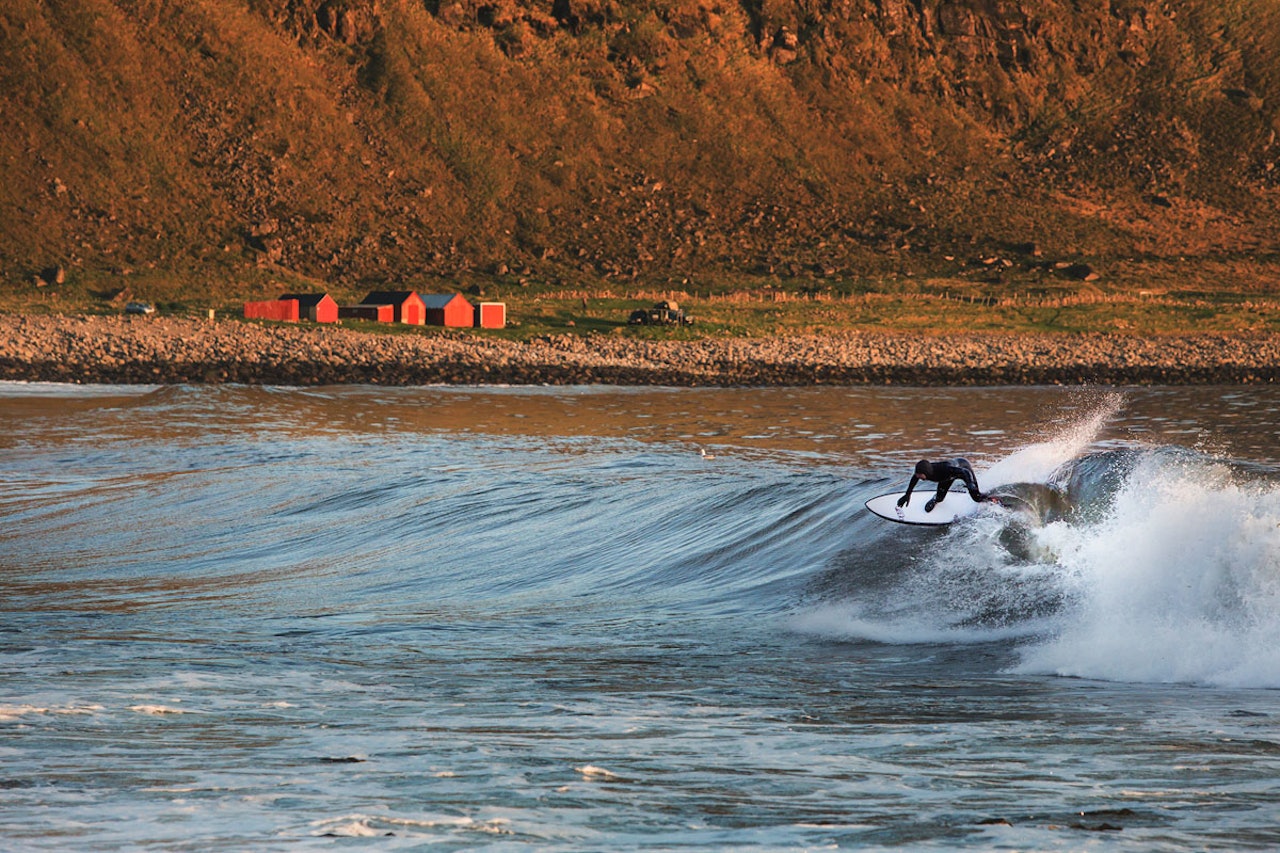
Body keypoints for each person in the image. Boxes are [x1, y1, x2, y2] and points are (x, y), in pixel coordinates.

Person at [897, 458, 989, 513]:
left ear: (925, 472)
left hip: (963, 468)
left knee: (976, 497)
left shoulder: (944, 469)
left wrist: (970, 483)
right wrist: (907, 495)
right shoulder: (924, 472)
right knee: (939, 498)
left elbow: (965, 471)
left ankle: (993, 500)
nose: (917, 476)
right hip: (947, 477)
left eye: (919, 474)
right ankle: (935, 499)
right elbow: (914, 478)